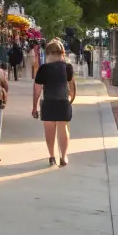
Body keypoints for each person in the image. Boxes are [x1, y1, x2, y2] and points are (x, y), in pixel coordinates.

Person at [33, 38, 78, 166]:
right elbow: (72, 87)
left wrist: (34, 106)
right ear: (62, 53)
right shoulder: (67, 67)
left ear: (48, 53)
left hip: (48, 102)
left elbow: (37, 90)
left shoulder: (43, 69)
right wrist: (71, 99)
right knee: (63, 128)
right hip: (63, 102)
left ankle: (52, 156)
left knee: (49, 130)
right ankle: (63, 156)